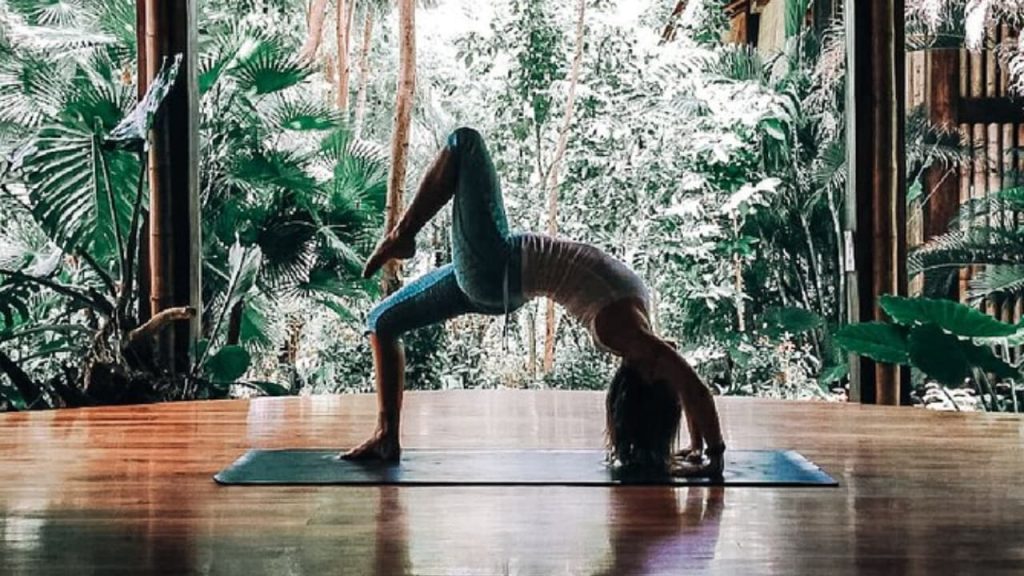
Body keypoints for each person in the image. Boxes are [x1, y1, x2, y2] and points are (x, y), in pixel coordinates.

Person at [345, 127, 725, 477]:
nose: (673, 358)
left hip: (496, 268)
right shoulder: (640, 329)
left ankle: (402, 234)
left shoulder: (622, 332)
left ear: (649, 374)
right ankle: (386, 437)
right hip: (501, 285)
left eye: (665, 369)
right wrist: (694, 446)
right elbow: (686, 386)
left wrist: (715, 456)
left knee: (464, 143)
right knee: (382, 321)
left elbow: (694, 389)